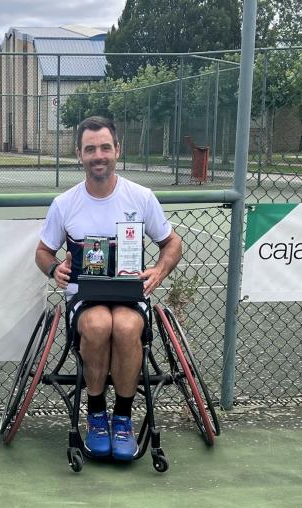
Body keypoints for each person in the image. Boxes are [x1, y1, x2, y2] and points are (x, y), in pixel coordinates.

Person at [35, 116, 182, 461]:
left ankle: (122, 418)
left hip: (130, 297)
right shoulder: (65, 204)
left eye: (104, 147)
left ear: (117, 149)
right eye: (90, 149)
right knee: (100, 325)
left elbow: (172, 242)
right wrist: (55, 269)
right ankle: (97, 413)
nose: (98, 155)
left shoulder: (141, 197)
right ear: (79, 155)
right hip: (85, 299)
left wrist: (159, 270)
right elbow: (42, 252)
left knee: (128, 326)